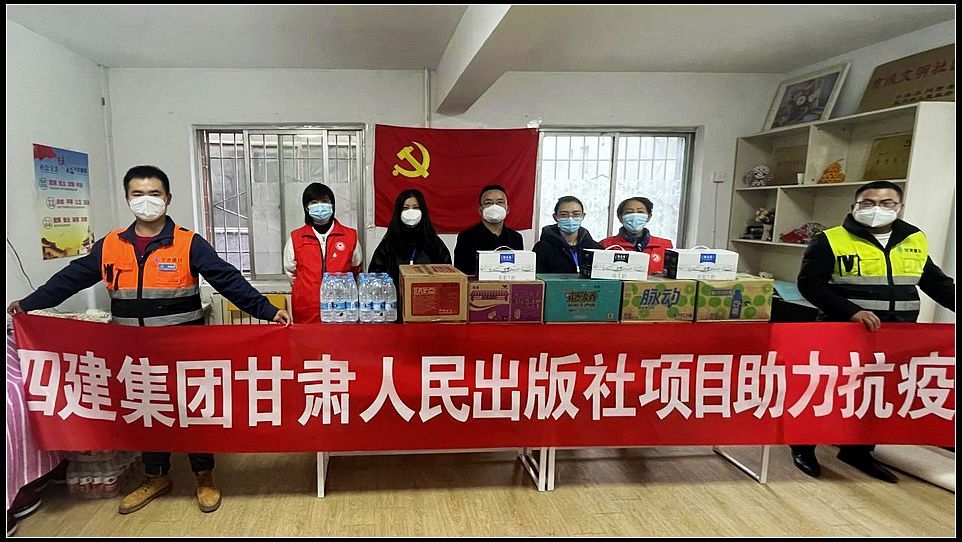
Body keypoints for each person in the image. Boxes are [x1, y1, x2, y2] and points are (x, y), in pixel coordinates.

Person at [7, 165, 291, 514]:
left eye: (154, 194)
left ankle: (204, 475)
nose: (146, 201)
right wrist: (30, 304)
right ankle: (156, 476)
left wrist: (267, 310)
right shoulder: (110, 245)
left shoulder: (188, 243)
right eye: (138, 194)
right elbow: (70, 279)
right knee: (148, 413)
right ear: (128, 198)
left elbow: (227, 280)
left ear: (167, 198)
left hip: (184, 352)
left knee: (193, 413)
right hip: (134, 353)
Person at [790, 180, 955, 483]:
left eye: (886, 203)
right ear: (854, 206)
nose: (876, 208)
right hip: (842, 331)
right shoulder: (830, 240)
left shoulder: (913, 239)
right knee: (825, 391)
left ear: (899, 207)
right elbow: (810, 284)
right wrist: (851, 311)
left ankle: (858, 451)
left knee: (876, 394)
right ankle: (803, 447)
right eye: (868, 203)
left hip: (895, 334)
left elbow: (935, 283)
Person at [284, 182, 362, 324]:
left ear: (332, 205)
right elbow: (292, 274)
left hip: (342, 310)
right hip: (306, 311)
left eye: (325, 201)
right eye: (314, 202)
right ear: (306, 207)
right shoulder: (296, 238)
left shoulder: (350, 237)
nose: (320, 206)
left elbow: (356, 270)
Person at [369, 189, 451, 288]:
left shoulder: (434, 243)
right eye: (406, 208)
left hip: (428, 295)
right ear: (399, 212)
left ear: (422, 211)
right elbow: (375, 274)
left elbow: (448, 275)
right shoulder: (388, 244)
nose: (411, 212)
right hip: (395, 296)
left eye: (416, 207)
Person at [453, 184, 524, 275]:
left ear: (507, 209)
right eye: (488, 203)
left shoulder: (516, 238)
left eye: (500, 202)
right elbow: (462, 274)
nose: (494, 206)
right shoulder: (466, 238)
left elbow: (519, 271)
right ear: (480, 210)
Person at [600, 197, 674, 275]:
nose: (635, 216)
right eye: (629, 212)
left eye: (640, 212)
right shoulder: (606, 245)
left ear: (649, 217)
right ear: (620, 217)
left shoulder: (665, 246)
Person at [532, 196, 602, 274]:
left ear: (583, 216)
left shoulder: (595, 248)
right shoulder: (543, 248)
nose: (570, 218)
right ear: (555, 217)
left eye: (576, 214)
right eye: (564, 215)